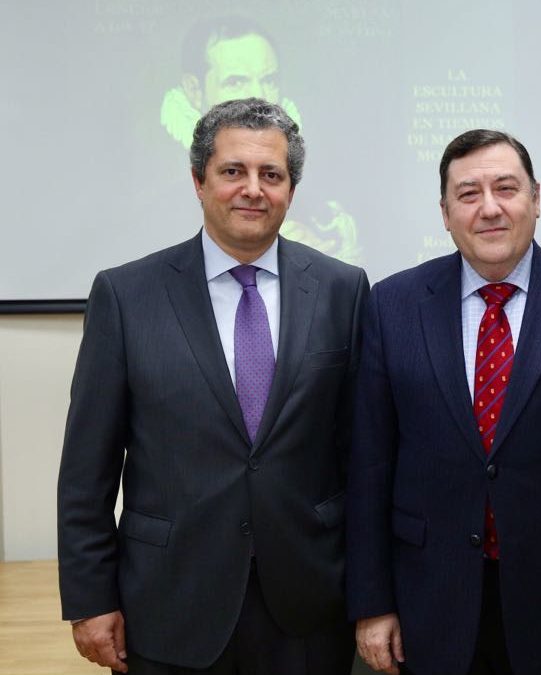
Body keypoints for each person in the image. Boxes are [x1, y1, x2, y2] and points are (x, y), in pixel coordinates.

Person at [57, 97, 367, 674]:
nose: (253, 189)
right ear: (199, 181)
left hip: (308, 601)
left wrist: (372, 594)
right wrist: (90, 599)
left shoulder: (342, 290)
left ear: (290, 191)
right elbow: (86, 469)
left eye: (271, 175)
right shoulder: (127, 296)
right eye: (233, 172)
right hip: (170, 601)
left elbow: (361, 455)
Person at [345, 129, 541, 675]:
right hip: (431, 600)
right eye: (468, 194)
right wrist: (372, 604)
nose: (489, 208)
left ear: (536, 199)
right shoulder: (392, 305)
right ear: (445, 213)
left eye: (506, 189)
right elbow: (371, 465)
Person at [160, 16, 360, 263]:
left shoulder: (341, 279)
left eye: (268, 80)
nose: (259, 94)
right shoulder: (151, 203)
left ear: (291, 190)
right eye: (232, 172)